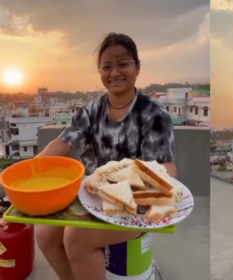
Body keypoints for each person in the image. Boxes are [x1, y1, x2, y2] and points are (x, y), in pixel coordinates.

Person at [35, 33, 176, 280]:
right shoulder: (91, 110)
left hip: (133, 203)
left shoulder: (153, 115)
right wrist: (30, 174)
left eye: (123, 63)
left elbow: (166, 166)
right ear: (99, 71)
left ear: (137, 67)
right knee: (45, 234)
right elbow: (62, 143)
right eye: (107, 66)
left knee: (75, 238)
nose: (115, 73)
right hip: (90, 195)